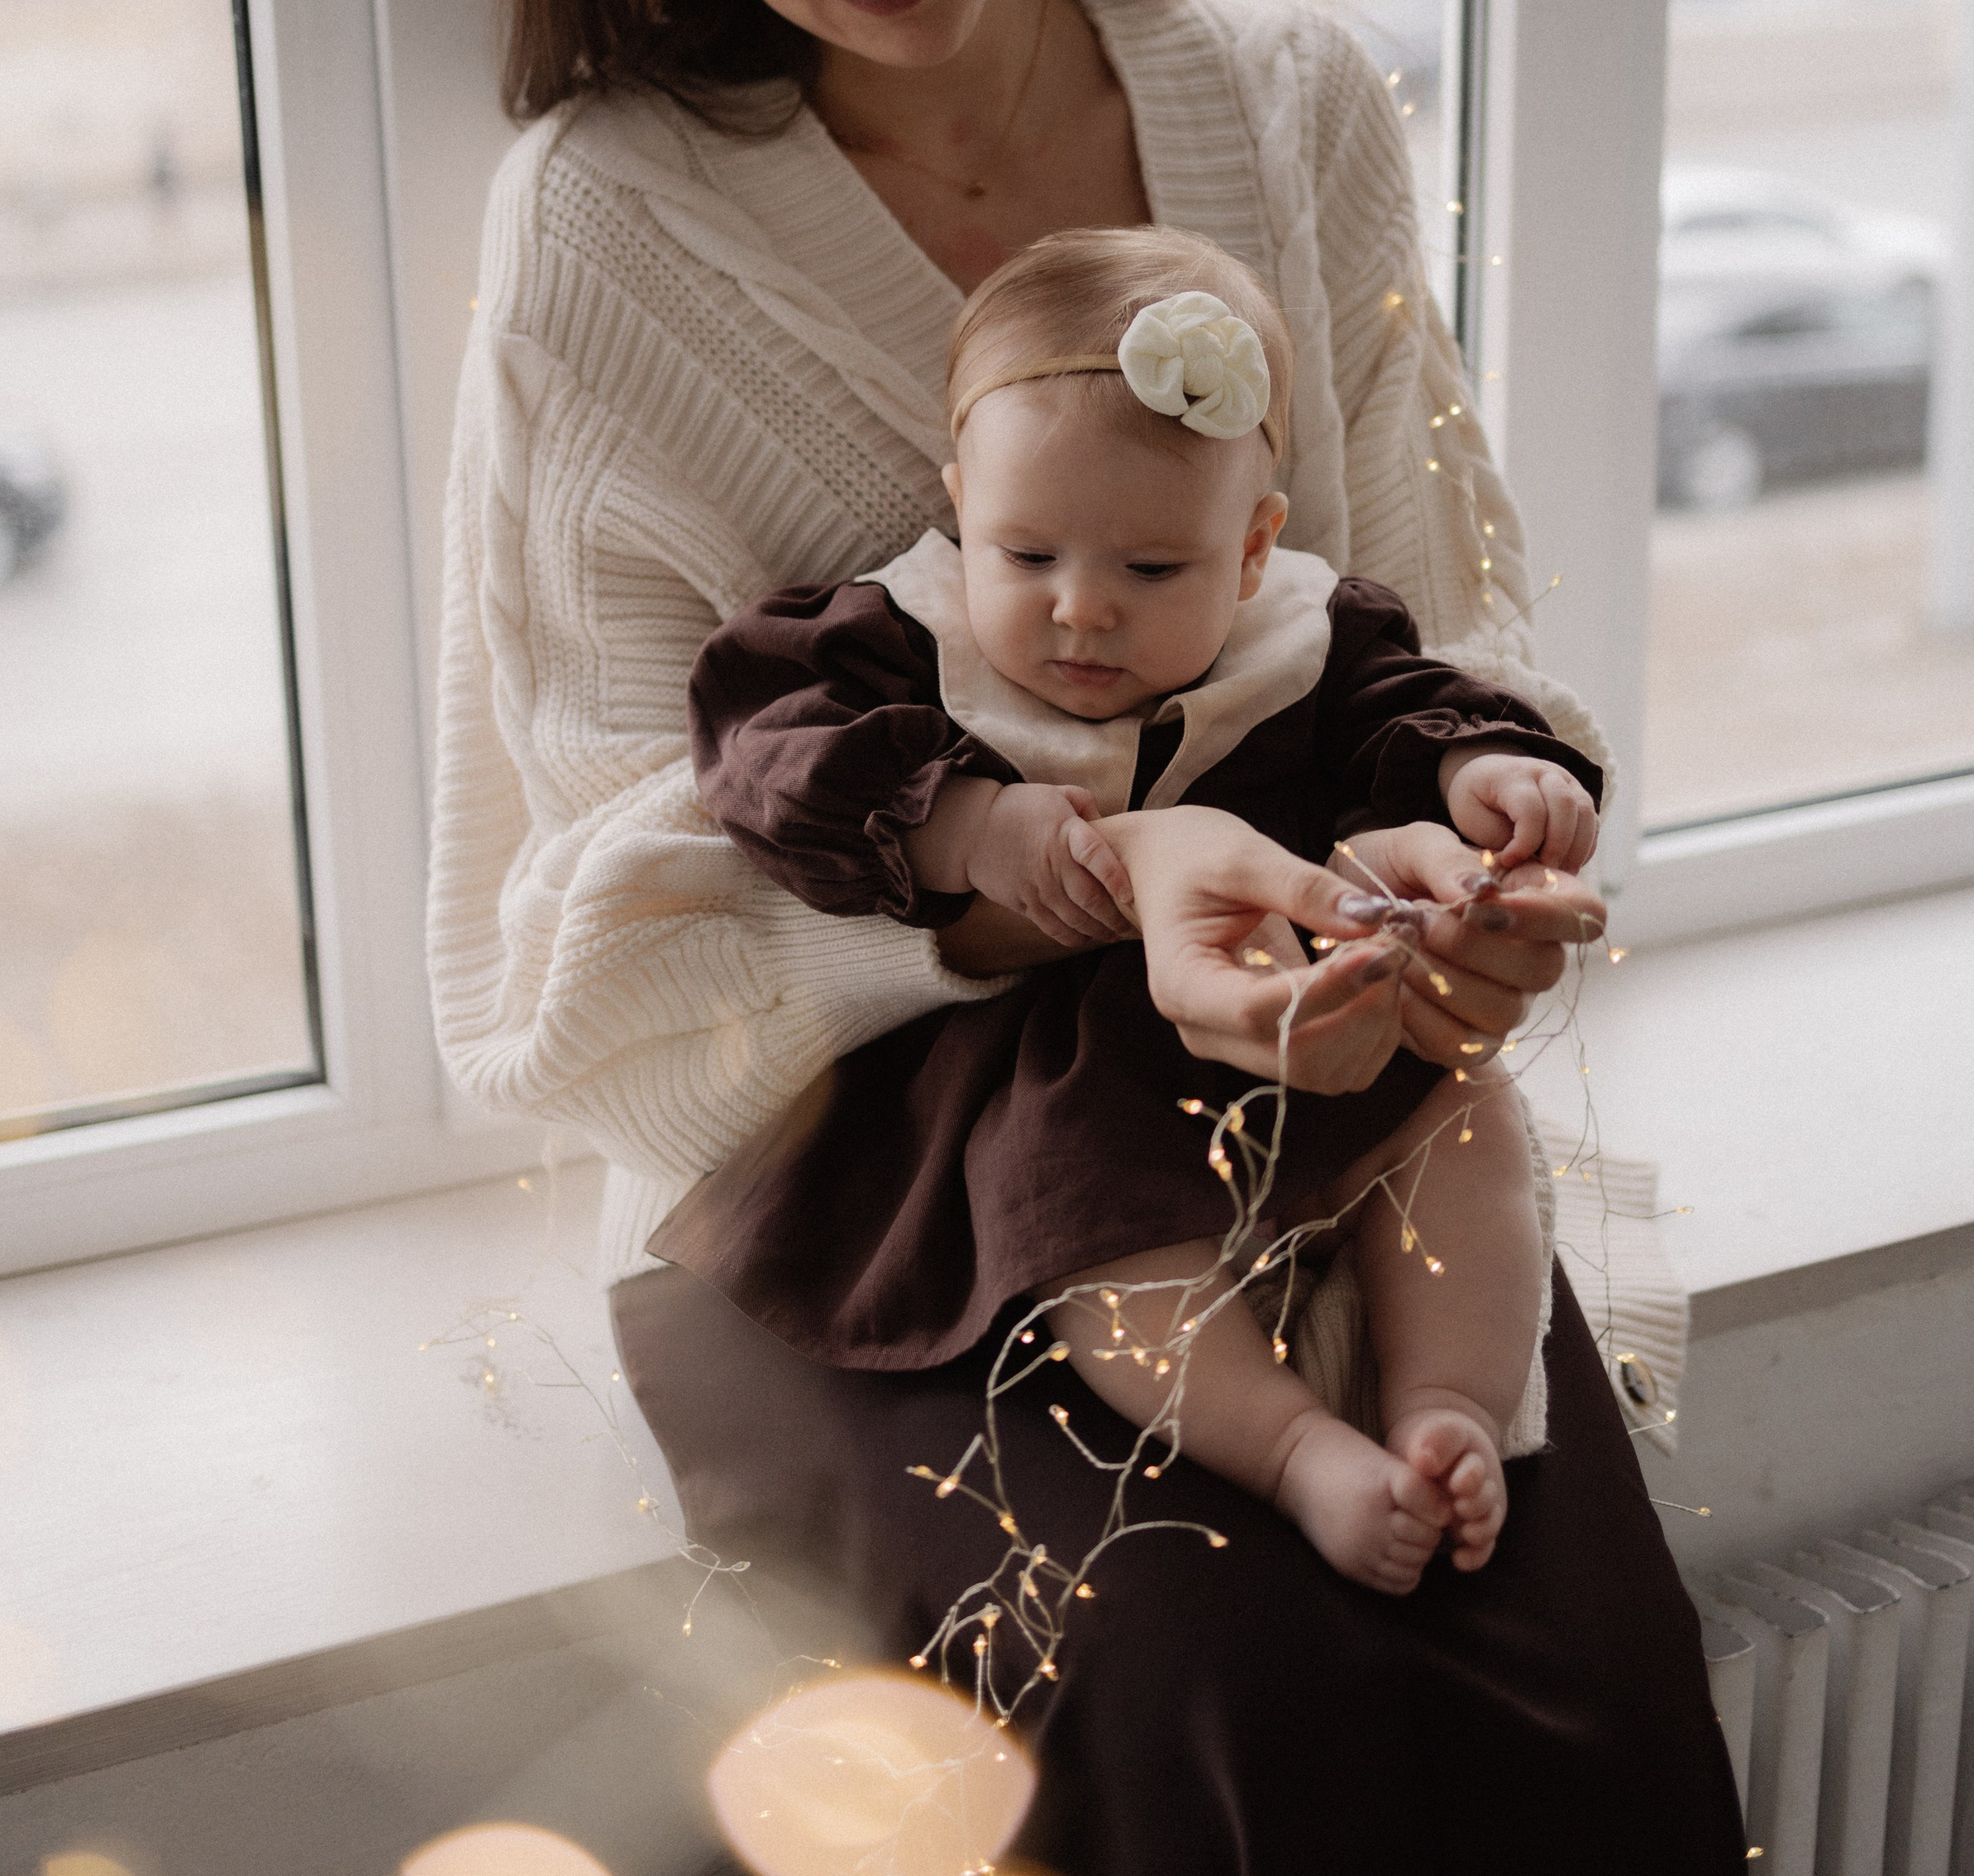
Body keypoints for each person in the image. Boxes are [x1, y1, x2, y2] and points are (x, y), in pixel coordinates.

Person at [428, 0, 1770, 1876]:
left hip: (1330, 1083)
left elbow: (1400, 630)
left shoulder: (1287, 105)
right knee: (1211, 1719)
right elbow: (583, 903)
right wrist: (1060, 875)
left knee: (1584, 1699)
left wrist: (1444, 887)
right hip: (873, 1166)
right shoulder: (613, 229)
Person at [673, 226, 1605, 1593]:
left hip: (1312, 1007)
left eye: (1152, 572)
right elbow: (759, 755)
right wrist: (966, 826)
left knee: (1464, 1115)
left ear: (1251, 549)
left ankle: (1447, 1404)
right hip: (1062, 1074)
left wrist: (1490, 767)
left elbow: (1411, 709)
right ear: (957, 505)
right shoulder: (900, 635)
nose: (1080, 612)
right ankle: (1292, 1450)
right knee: (1093, 1229)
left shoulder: (1308, 632)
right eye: (1027, 552)